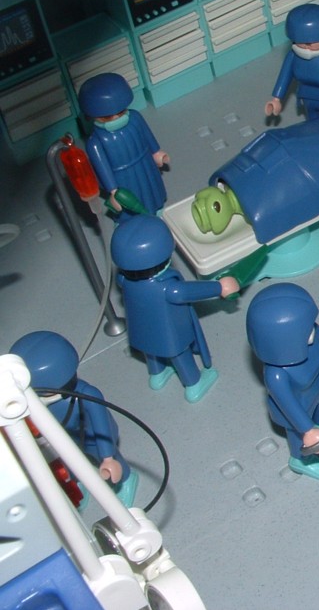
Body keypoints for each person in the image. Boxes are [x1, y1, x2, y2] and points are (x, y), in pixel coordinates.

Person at [111, 215, 239, 402]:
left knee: (151, 352)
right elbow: (191, 291)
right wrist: (220, 287)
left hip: (141, 331)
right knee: (179, 354)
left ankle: (157, 374)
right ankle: (194, 383)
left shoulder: (123, 280)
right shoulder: (169, 288)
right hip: (170, 332)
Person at [11, 330, 139, 507]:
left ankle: (125, 479)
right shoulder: (37, 403)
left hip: (93, 438)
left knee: (110, 461)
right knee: (69, 463)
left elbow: (101, 425)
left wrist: (107, 455)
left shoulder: (87, 395)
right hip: (64, 438)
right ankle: (78, 484)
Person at [246, 283, 319, 481]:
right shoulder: (276, 375)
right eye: (305, 329)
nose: (313, 330)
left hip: (317, 387)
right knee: (297, 436)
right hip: (297, 409)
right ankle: (300, 459)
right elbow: (288, 405)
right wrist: (306, 429)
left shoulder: (312, 334)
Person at [81, 73, 168, 216]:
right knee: (131, 200)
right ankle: (134, 218)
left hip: (144, 163)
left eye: (121, 112)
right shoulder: (95, 142)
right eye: (108, 117)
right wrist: (113, 190)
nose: (116, 117)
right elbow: (103, 168)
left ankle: (156, 208)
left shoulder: (135, 118)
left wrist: (156, 152)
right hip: (122, 177)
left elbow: (147, 135)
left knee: (152, 188)